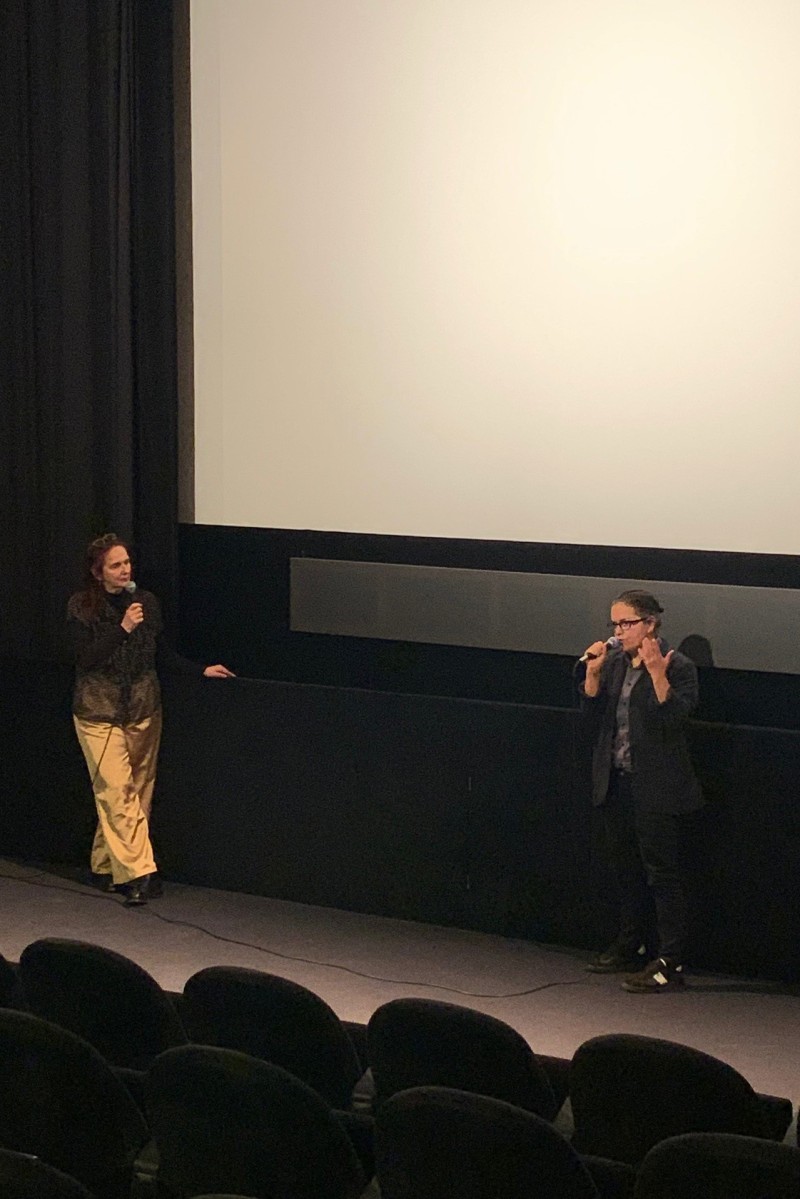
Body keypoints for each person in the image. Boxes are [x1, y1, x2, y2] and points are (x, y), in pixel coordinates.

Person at [67, 534, 234, 906]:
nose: (124, 570)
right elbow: (87, 659)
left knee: (138, 792)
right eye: (115, 565)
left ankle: (105, 865)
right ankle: (140, 872)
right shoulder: (82, 606)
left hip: (143, 708)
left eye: (127, 562)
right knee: (116, 791)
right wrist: (123, 628)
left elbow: (159, 653)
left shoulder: (145, 602)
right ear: (98, 572)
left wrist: (199, 669)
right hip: (99, 711)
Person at [580, 588, 703, 992]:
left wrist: (656, 673)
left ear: (650, 624)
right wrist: (592, 674)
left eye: (626, 623)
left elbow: (675, 720)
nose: (618, 631)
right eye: (615, 623)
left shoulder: (678, 665)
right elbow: (593, 717)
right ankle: (630, 943)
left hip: (658, 788)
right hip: (617, 780)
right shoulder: (615, 662)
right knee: (625, 867)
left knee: (662, 874)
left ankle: (670, 959)